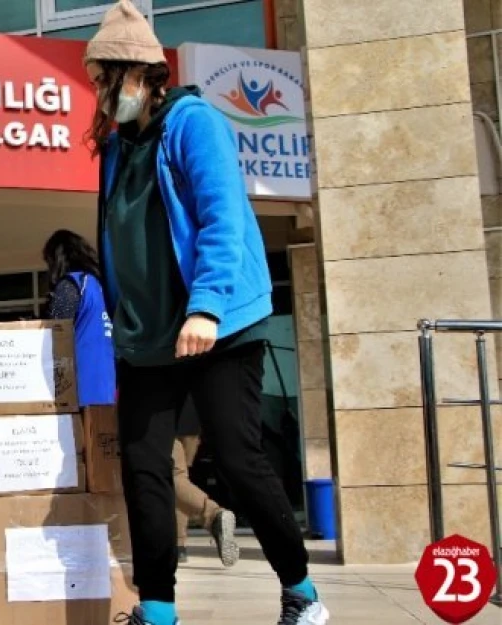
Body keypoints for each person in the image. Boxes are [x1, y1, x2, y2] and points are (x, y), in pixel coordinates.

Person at [84, 2, 327, 624]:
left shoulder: (195, 124)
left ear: (139, 74)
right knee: (144, 467)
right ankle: (159, 612)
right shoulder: (118, 148)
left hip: (216, 323)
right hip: (147, 337)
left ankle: (303, 596)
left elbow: (222, 218)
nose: (99, 94)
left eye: (104, 79)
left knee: (238, 459)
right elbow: (121, 239)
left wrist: (208, 307)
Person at [42, 229, 115, 407]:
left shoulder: (72, 284)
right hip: (112, 382)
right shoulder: (103, 286)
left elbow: (56, 329)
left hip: (82, 386)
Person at [173, 396, 238, 567]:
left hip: (162, 417)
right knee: (179, 477)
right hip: (191, 419)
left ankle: (213, 515)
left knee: (171, 477)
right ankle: (178, 544)